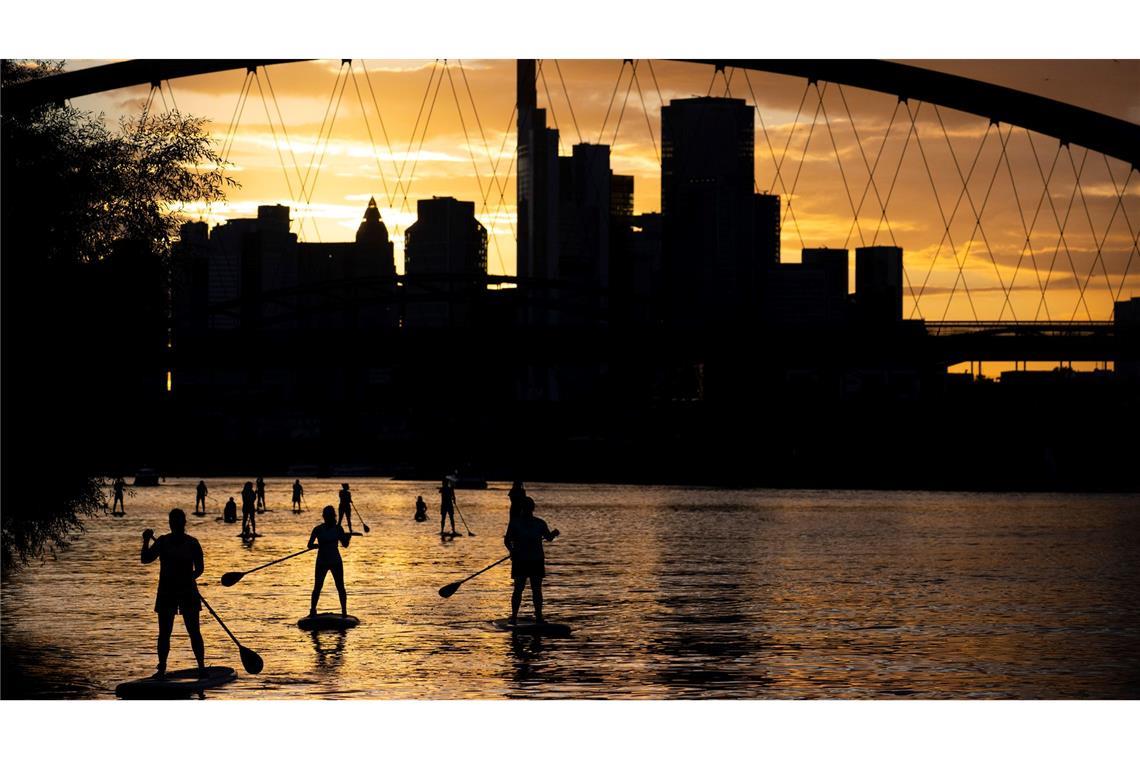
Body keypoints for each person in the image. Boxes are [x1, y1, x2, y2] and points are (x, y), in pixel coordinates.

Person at [141, 508, 205, 679]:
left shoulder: (192, 543)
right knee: (164, 633)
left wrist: (188, 578)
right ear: (170, 523)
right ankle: (161, 668)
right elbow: (145, 559)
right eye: (172, 522)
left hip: (188, 591)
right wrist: (146, 540)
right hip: (167, 591)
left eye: (177, 522)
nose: (174, 525)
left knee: (194, 631)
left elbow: (200, 569)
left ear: (183, 523)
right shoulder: (162, 542)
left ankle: (201, 667)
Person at [504, 497, 559, 625]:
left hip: (536, 560)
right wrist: (512, 551)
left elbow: (548, 538)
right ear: (523, 508)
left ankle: (539, 617)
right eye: (526, 507)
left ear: (532, 508)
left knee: (536, 589)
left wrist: (554, 533)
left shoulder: (539, 523)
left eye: (529, 507)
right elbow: (507, 540)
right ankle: (514, 617)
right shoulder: (515, 523)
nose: (527, 510)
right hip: (520, 560)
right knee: (519, 589)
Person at [308, 505, 352, 617]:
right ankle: (312, 610)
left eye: (329, 516)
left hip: (335, 562)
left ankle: (344, 612)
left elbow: (345, 544)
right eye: (326, 516)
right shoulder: (317, 529)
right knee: (317, 587)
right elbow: (309, 545)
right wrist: (316, 545)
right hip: (322, 562)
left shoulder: (338, 529)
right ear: (324, 516)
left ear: (333, 516)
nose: (327, 518)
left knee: (340, 587)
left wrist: (348, 537)